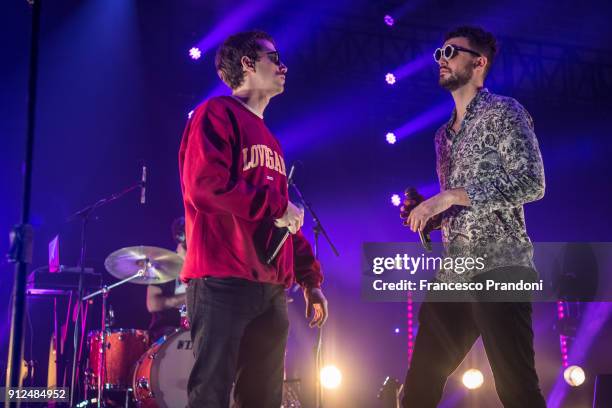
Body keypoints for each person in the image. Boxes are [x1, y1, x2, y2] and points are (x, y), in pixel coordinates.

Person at [178, 30, 328, 408]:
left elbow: (282, 221)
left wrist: (310, 279)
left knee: (263, 399)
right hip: (222, 280)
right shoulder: (216, 113)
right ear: (247, 63)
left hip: (271, 289)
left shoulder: (271, 140)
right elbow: (204, 187)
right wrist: (277, 207)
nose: (283, 65)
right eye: (274, 57)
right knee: (211, 394)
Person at [399, 26, 547, 407]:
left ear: (479, 62)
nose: (441, 58)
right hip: (455, 273)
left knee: (516, 390)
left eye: (451, 51)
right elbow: (462, 206)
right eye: (439, 52)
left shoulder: (505, 112)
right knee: (417, 388)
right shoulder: (442, 136)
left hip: (501, 266)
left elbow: (531, 182)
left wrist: (447, 197)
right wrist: (429, 213)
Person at [146, 217, 187, 341]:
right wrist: (189, 297)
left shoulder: (205, 265)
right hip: (166, 333)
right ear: (181, 237)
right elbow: (152, 304)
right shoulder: (163, 265)